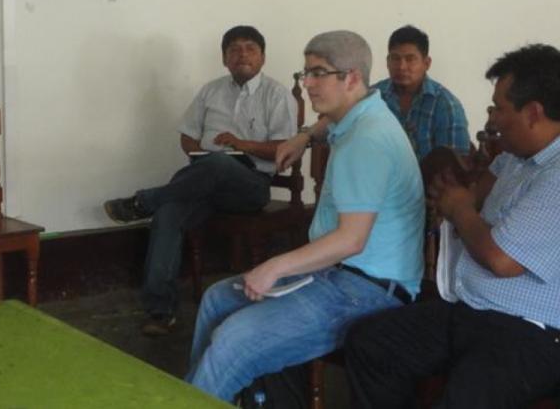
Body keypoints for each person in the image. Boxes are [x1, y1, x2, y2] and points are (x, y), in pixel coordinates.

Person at [185, 30, 424, 402]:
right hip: (336, 273)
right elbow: (331, 119)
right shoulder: (362, 109)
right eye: (305, 73)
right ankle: (194, 394)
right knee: (218, 300)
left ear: (351, 78)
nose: (307, 83)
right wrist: (306, 136)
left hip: (366, 290)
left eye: (317, 73)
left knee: (236, 339)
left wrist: (274, 267)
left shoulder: (367, 141)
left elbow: (351, 240)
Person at [344, 44, 560, 409]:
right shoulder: (514, 157)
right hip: (472, 308)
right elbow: (476, 195)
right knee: (370, 343)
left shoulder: (555, 173)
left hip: (531, 330)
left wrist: (459, 207)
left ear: (533, 113)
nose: (492, 119)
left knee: (463, 399)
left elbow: (501, 259)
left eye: (499, 108)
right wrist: (460, 195)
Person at [103, 25, 298, 336]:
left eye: (250, 48)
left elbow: (285, 148)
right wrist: (199, 157)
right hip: (205, 180)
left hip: (251, 184)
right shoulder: (211, 91)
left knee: (218, 162)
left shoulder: (277, 94)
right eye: (234, 49)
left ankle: (144, 202)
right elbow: (188, 136)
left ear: (263, 57)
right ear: (224, 59)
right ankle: (160, 311)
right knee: (169, 214)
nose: (242, 54)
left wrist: (242, 145)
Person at [372, 25, 471, 160]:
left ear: (426, 63)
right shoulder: (373, 97)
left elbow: (453, 166)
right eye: (395, 58)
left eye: (410, 59)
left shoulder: (446, 105)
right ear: (387, 62)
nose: (402, 67)